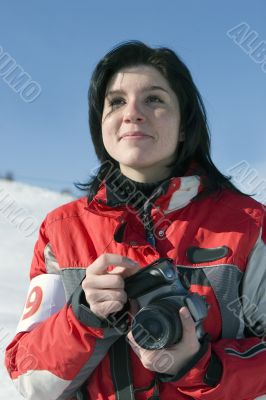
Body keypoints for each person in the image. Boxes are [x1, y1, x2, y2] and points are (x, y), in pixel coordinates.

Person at [5, 40, 266, 400]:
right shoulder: (62, 230)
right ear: (101, 125)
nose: (132, 113)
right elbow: (28, 378)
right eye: (116, 102)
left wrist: (201, 365)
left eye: (154, 99)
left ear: (185, 126)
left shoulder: (247, 224)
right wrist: (82, 317)